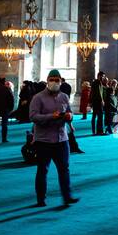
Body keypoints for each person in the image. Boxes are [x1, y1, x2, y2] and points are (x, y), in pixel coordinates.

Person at [30, 69, 78, 207]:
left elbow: (69, 112)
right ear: (47, 80)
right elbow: (33, 117)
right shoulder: (38, 98)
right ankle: (41, 199)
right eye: (52, 79)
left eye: (57, 80)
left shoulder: (64, 97)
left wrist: (70, 116)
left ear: (61, 81)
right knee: (42, 170)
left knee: (64, 169)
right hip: (43, 140)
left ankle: (67, 197)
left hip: (61, 139)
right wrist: (52, 116)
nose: (55, 82)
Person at [0, 78, 15, 143]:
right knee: (4, 124)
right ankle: (4, 139)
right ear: (4, 82)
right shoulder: (7, 89)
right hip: (5, 109)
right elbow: (11, 99)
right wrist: (11, 108)